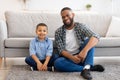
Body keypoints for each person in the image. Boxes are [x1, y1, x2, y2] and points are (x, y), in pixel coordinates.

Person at [54, 7, 104, 79]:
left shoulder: (80, 26)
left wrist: (84, 51)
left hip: (82, 56)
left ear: (73, 15)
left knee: (90, 40)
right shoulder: (58, 32)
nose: (65, 18)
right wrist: (72, 58)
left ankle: (86, 67)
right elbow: (61, 50)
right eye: (63, 17)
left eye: (67, 15)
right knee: (57, 63)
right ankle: (87, 68)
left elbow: (96, 36)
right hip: (69, 59)